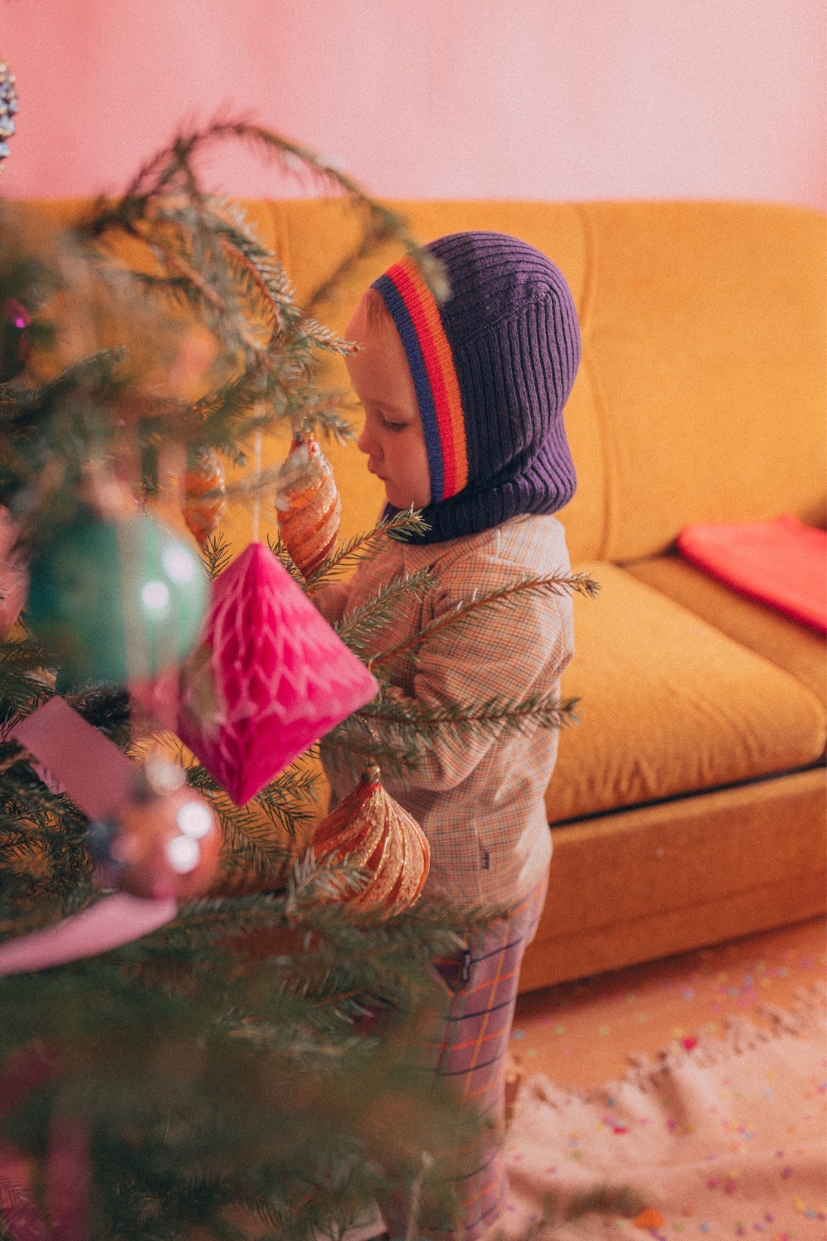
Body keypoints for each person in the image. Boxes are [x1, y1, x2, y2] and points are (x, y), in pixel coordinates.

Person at [319, 232, 580, 1241]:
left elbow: (432, 748)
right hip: (387, 870)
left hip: (460, 907)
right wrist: (311, 607)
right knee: (378, 1069)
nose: (362, 443)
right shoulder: (420, 507)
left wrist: (315, 680)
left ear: (484, 429)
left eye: (388, 421)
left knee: (442, 1115)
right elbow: (374, 608)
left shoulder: (514, 581)